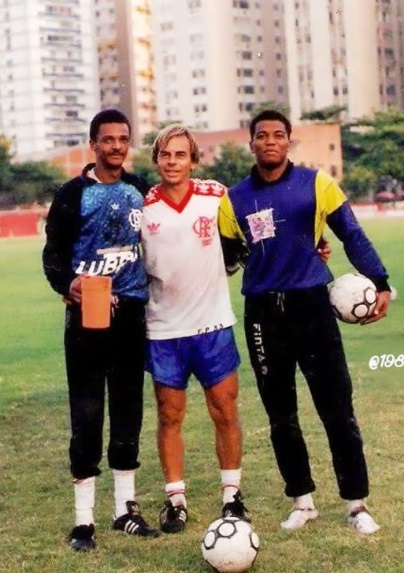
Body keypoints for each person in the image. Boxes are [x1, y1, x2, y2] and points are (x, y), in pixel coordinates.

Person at [219, 109, 391, 535]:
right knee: (281, 415)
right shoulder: (233, 199)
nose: (271, 141)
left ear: (289, 141)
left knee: (337, 410)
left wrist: (380, 281)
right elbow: (227, 259)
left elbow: (351, 233)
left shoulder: (317, 184)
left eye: (279, 135)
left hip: (312, 307)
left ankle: (356, 504)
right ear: (252, 143)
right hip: (262, 315)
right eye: (263, 135)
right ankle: (302, 500)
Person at [42, 109, 159, 551]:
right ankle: (83, 521)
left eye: (122, 139)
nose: (116, 146)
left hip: (130, 315)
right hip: (88, 315)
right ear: (93, 144)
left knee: (128, 411)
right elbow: (53, 255)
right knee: (87, 415)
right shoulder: (73, 194)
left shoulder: (141, 191)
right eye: (107, 139)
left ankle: (125, 511)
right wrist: (67, 283)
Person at [140, 125, 250, 533]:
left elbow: (253, 231)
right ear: (157, 160)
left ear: (193, 160)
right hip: (164, 328)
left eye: (180, 155)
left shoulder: (216, 196)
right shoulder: (143, 206)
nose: (173, 162)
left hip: (213, 324)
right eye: (166, 155)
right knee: (170, 415)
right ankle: (176, 500)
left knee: (224, 410)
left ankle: (232, 496)